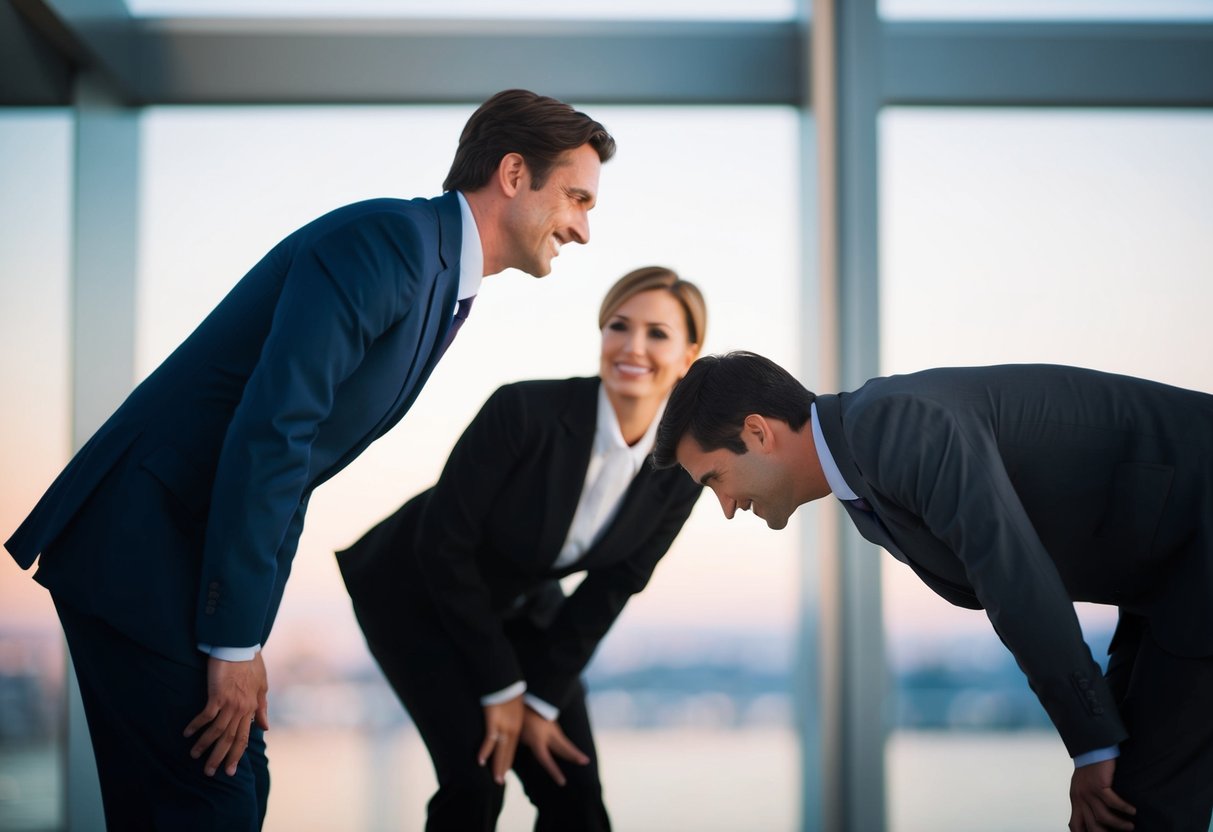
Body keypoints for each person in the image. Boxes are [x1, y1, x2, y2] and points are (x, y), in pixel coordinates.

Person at [4, 89, 615, 831]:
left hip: (183, 554)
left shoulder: (439, 280)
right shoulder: (390, 244)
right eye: (576, 198)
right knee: (212, 800)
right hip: (139, 541)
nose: (583, 229)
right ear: (514, 174)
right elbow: (274, 435)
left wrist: (246, 630)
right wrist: (233, 643)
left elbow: (299, 471)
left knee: (229, 791)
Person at [652, 351, 1213, 832]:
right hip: (1166, 580)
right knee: (1129, 809)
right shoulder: (863, 470)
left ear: (757, 432)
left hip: (1196, 548)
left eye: (714, 480)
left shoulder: (894, 426)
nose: (724, 508)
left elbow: (1010, 576)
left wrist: (1090, 742)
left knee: (1139, 807)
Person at [338, 266, 707, 831]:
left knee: (574, 786)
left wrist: (537, 700)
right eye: (618, 326)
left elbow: (616, 585)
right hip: (414, 592)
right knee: (475, 780)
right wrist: (503, 685)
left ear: (688, 355)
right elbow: (442, 545)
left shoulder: (681, 468)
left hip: (521, 603)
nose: (633, 346)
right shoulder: (523, 412)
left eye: (657, 333)